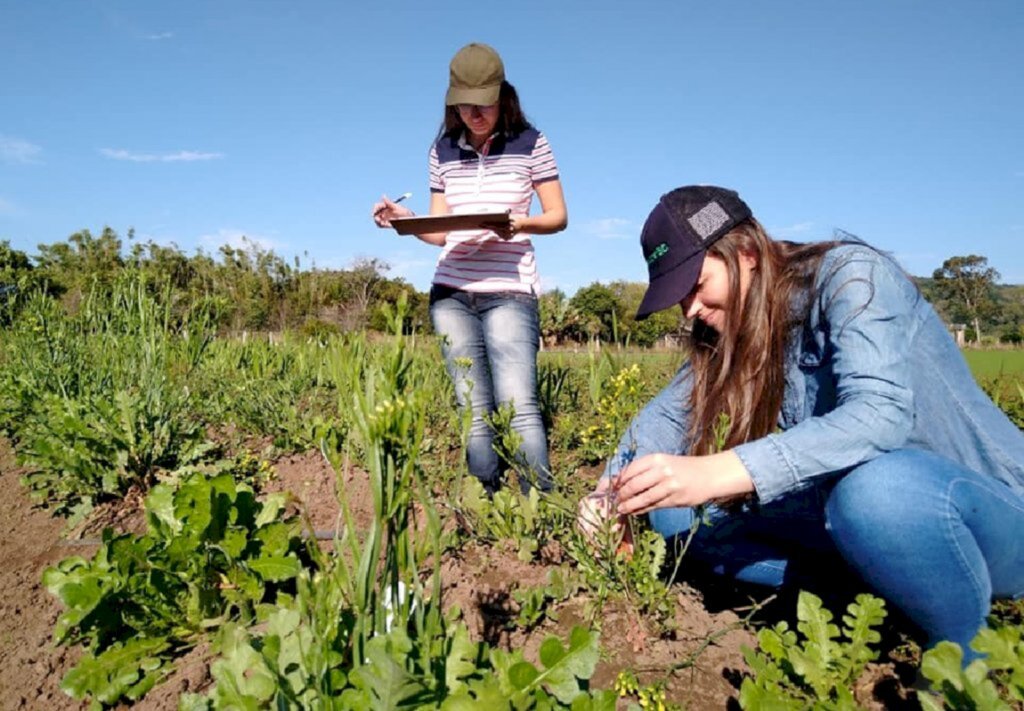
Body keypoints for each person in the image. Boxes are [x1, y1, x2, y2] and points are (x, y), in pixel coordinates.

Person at [579, 185, 1024, 658]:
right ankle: (880, 598)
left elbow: (878, 416)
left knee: (877, 493)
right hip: (850, 515)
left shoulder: (852, 278)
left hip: (979, 515)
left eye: (696, 284)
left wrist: (718, 470)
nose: (689, 309)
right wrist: (611, 492)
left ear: (746, 252)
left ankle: (960, 655)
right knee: (675, 518)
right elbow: (668, 413)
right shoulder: (738, 322)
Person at [372, 43, 567, 493]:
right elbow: (441, 231)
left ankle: (538, 503)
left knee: (518, 404)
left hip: (509, 288)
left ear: (504, 97)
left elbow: (557, 216)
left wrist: (519, 223)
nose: (475, 115)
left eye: (484, 105)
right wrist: (405, 220)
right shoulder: (441, 150)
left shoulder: (532, 144)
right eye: (464, 105)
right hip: (451, 292)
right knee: (473, 409)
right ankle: (488, 501)